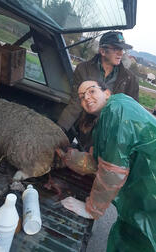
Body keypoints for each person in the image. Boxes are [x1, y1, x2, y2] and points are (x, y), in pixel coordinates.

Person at [60, 80, 156, 252]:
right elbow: (98, 162)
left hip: (151, 188)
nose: (86, 98)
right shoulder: (107, 116)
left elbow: (112, 171)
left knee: (143, 237)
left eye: (91, 91)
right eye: (82, 97)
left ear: (107, 93)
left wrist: (91, 210)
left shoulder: (116, 111)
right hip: (145, 186)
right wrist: (68, 158)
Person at [57, 31, 139, 149]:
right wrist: (60, 129)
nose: (121, 53)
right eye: (116, 48)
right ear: (103, 51)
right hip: (83, 128)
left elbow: (131, 114)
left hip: (109, 136)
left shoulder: (130, 79)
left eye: (122, 49)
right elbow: (76, 102)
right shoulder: (83, 69)